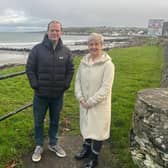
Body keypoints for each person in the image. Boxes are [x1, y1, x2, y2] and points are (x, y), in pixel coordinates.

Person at [26, 20, 74, 162]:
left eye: (57, 30)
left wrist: (65, 85)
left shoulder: (66, 51)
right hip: (40, 95)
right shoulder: (37, 49)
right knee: (38, 122)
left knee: (55, 121)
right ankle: (39, 145)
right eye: (52, 30)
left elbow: (70, 70)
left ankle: (53, 143)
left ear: (61, 32)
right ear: (47, 32)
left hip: (57, 96)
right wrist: (35, 85)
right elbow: (30, 69)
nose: (54, 33)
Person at [74, 33, 115, 168]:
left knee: (97, 131)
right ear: (88, 46)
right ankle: (86, 149)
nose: (94, 47)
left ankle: (94, 157)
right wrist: (80, 97)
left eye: (96, 44)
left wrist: (90, 102)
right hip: (84, 102)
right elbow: (78, 81)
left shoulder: (108, 65)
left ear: (102, 45)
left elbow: (106, 88)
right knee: (87, 126)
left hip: (98, 105)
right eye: (91, 44)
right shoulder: (83, 62)